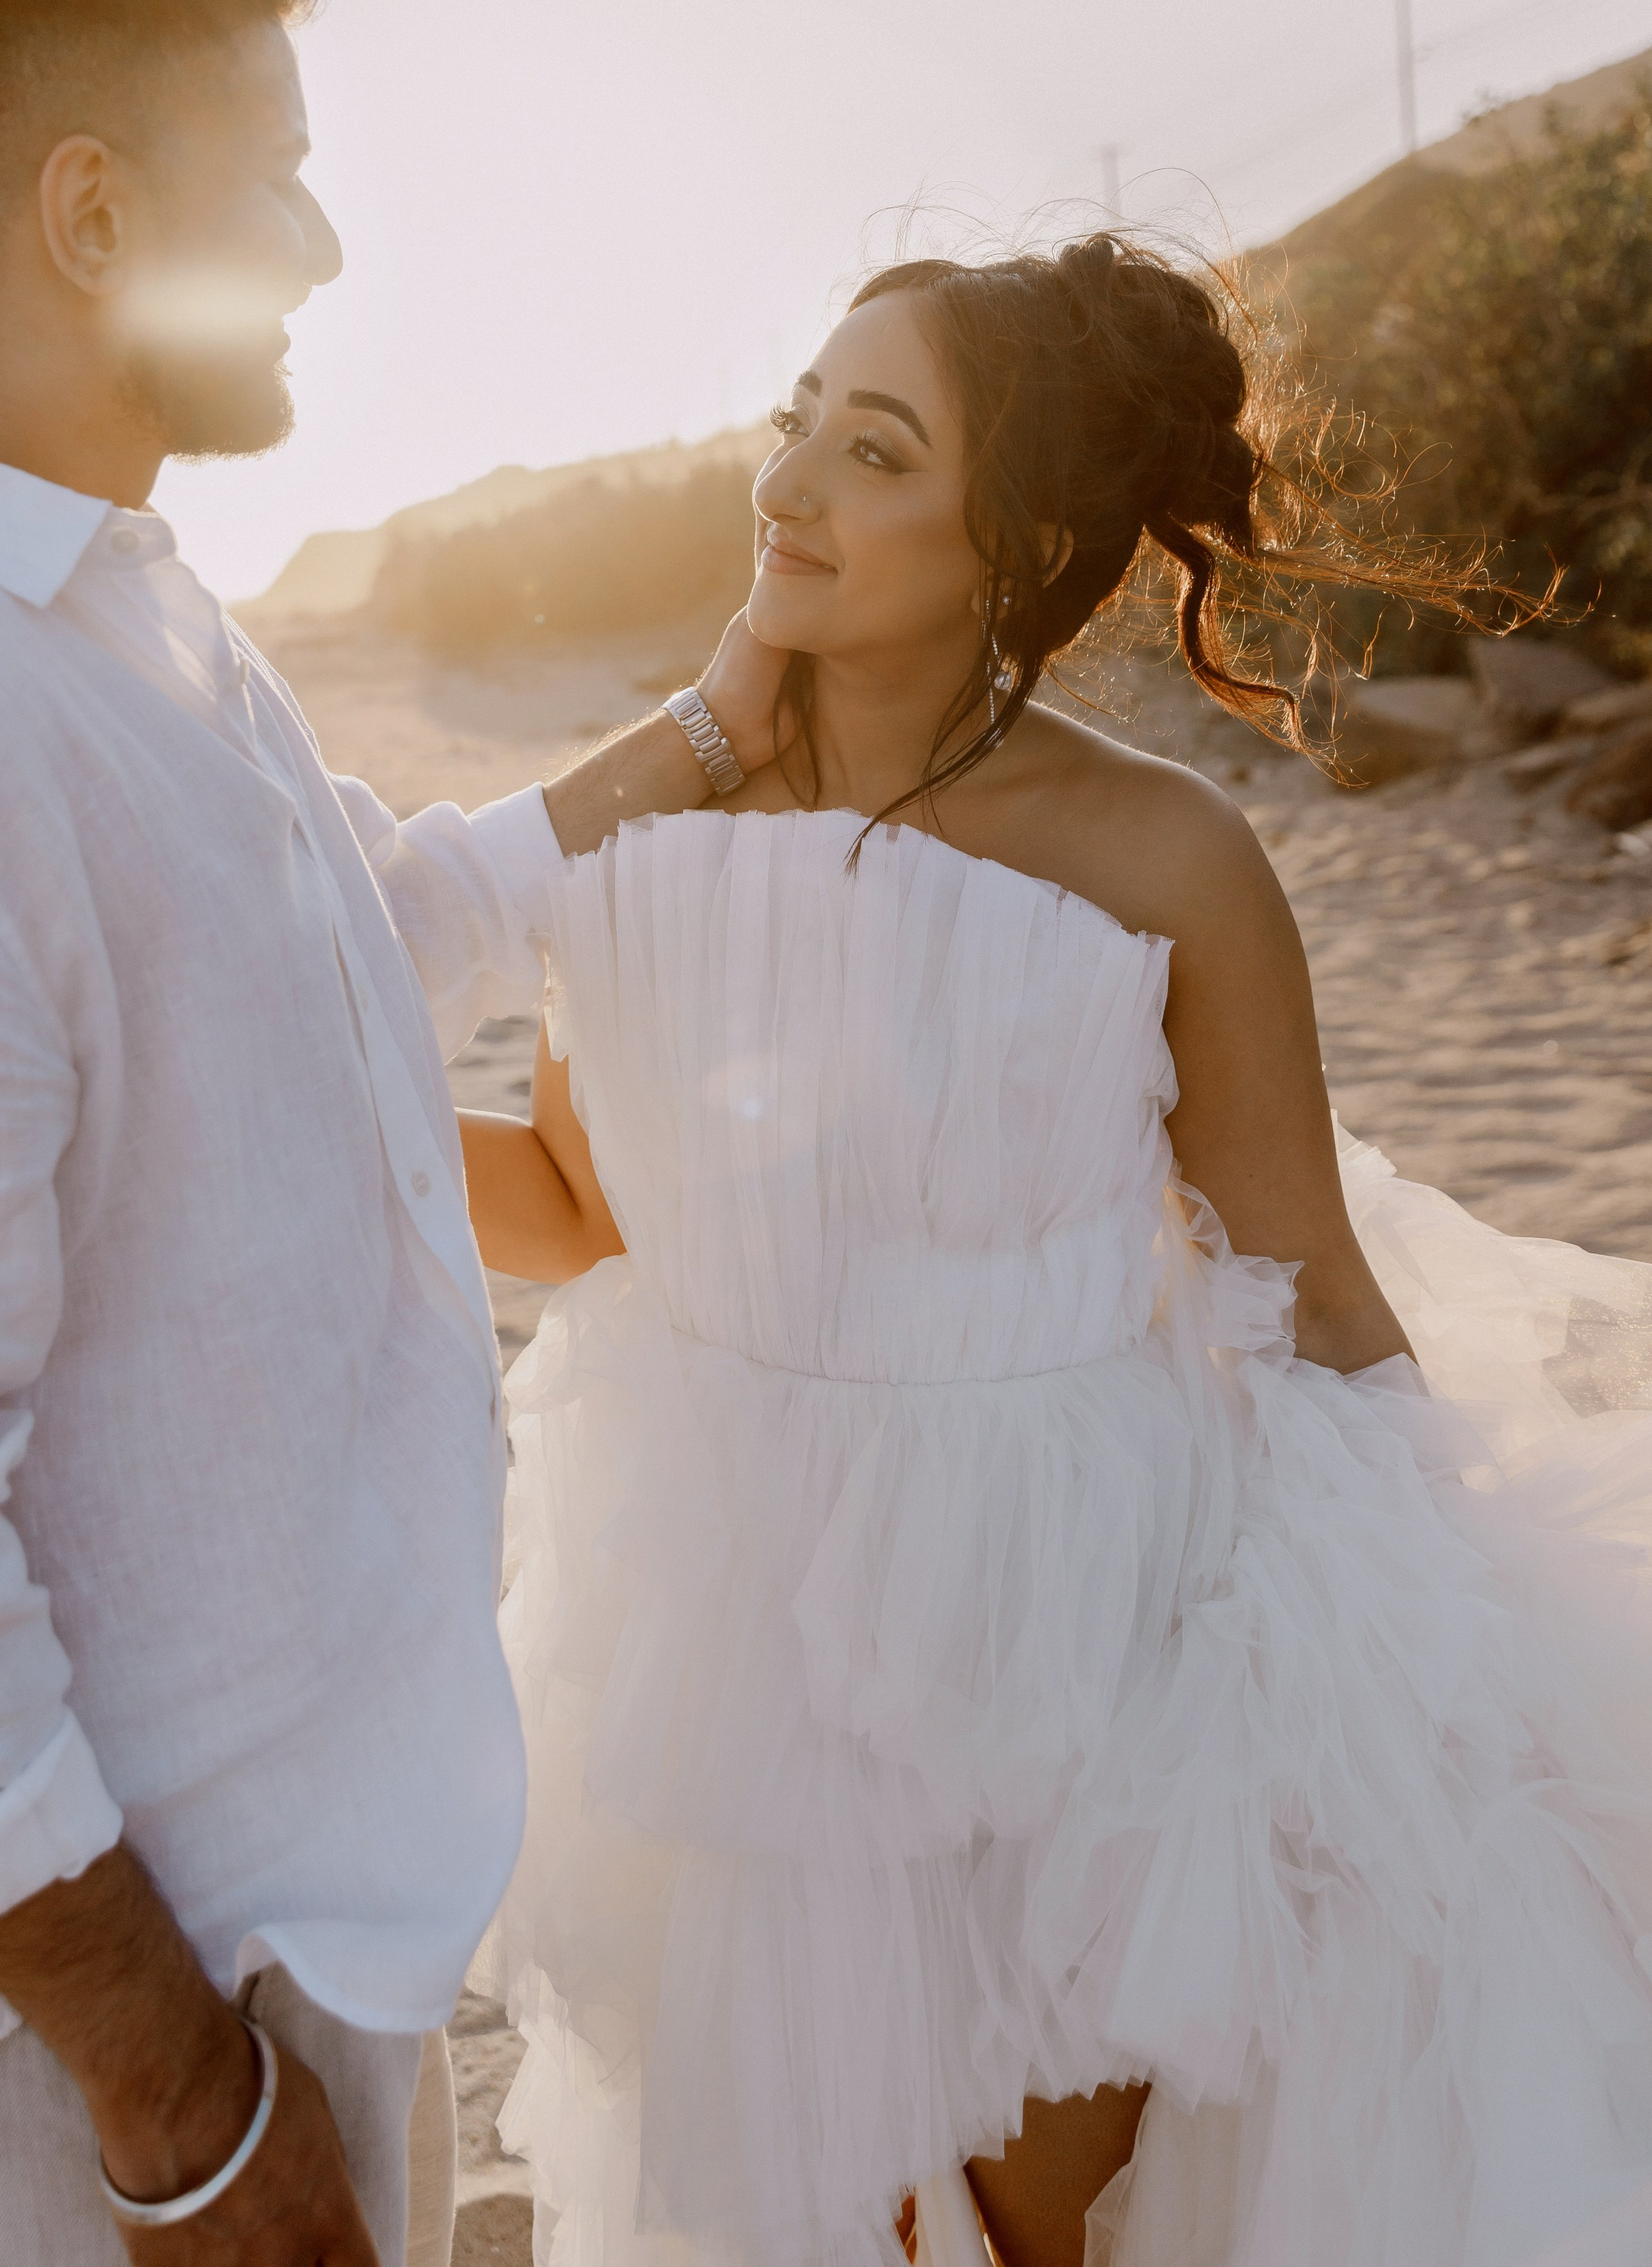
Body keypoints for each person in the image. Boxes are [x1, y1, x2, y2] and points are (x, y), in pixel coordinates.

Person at [0, 0, 773, 2267]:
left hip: (308, 1921)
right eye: (270, 177)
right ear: (90, 217)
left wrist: (698, 741)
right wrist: (176, 2105)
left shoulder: (121, 607)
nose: (321, 248)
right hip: (77, 2058)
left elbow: (338, 933)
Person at [457, 240, 1652, 2267]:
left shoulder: (1164, 851)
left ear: (1006, 539)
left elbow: (1310, 1281)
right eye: (794, 425)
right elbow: (579, 1213)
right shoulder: (655, 819)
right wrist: (327, 1112)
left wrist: (1435, 1658)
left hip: (1080, 1618)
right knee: (801, 2193)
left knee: (1026, 2197)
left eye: (875, 448)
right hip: (727, 1608)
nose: (792, 486)